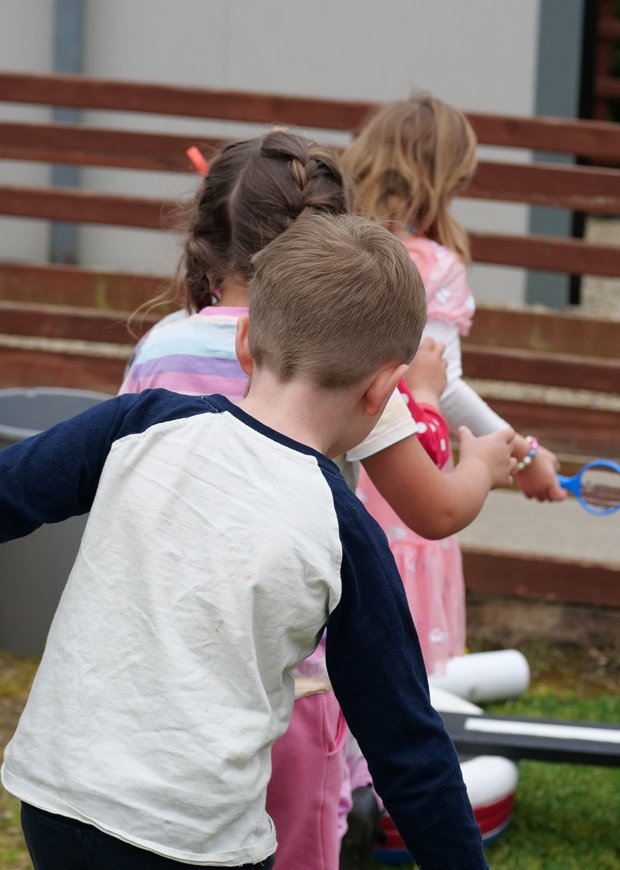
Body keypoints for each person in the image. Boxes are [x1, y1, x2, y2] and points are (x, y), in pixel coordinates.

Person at [0, 213, 509, 870]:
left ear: (245, 341)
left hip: (57, 801)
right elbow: (409, 751)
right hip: (191, 845)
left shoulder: (138, 425)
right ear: (385, 389)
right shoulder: (344, 531)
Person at [119, 130, 516, 870]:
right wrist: (483, 463)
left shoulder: (160, 349)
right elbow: (434, 507)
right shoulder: (344, 356)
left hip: (168, 680)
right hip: (298, 684)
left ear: (205, 240)